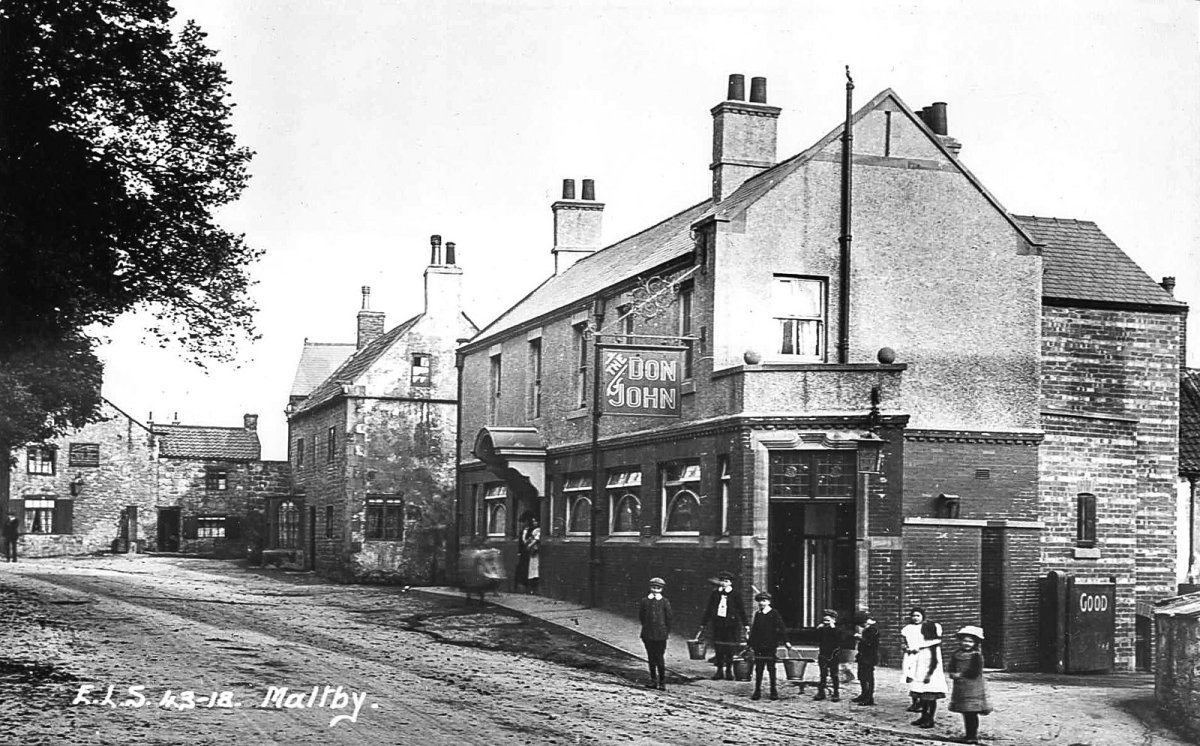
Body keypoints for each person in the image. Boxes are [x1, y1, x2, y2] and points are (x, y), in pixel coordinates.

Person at [697, 570, 749, 680]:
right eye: (722, 581)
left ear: (730, 583)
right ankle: (719, 670)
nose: (723, 583)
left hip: (731, 625)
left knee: (729, 648)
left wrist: (746, 624)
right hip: (718, 624)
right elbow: (709, 609)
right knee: (719, 647)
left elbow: (741, 610)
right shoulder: (715, 594)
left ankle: (729, 671)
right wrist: (704, 623)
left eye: (726, 581)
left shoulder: (735, 594)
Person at [949, 625, 992, 744]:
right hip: (961, 688)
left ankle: (972, 735)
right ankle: (968, 734)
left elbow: (975, 671)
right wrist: (952, 672)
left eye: (970, 641)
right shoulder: (957, 654)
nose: (966, 643)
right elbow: (951, 665)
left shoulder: (976, 656)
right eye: (964, 640)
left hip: (973, 687)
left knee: (971, 712)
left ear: (975, 643)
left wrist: (961, 674)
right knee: (965, 711)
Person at [905, 609, 948, 729]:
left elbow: (934, 663)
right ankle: (924, 716)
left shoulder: (933, 647)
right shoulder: (922, 646)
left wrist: (928, 676)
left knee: (930, 697)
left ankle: (930, 719)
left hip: (930, 676)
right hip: (921, 673)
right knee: (922, 697)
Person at [747, 591, 791, 701]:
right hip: (759, 646)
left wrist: (786, 641)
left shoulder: (774, 613)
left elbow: (782, 628)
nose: (762, 603)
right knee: (759, 669)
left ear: (769, 602)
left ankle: (773, 690)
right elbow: (754, 631)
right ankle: (757, 691)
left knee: (771, 668)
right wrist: (750, 644)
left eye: (764, 601)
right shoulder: (758, 614)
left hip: (770, 645)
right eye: (760, 601)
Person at [638, 576, 673, 690]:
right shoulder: (645, 601)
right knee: (651, 658)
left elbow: (669, 618)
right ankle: (653, 680)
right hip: (648, 633)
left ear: (661, 589)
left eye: (658, 588)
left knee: (660, 658)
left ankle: (662, 682)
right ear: (650, 588)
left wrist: (665, 632)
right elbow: (642, 617)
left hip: (660, 635)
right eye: (653, 587)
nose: (655, 590)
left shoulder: (664, 602)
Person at [813, 609, 843, 701]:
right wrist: (818, 629)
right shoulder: (822, 629)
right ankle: (821, 692)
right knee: (823, 674)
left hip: (834, 654)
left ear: (834, 620)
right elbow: (816, 639)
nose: (826, 623)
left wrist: (833, 628)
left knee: (834, 674)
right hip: (823, 654)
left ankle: (836, 693)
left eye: (828, 620)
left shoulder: (837, 630)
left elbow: (839, 640)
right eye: (825, 621)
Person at [851, 609, 880, 706]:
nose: (861, 626)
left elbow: (869, 643)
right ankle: (864, 694)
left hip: (870, 657)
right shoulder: (866, 629)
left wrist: (860, 638)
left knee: (868, 677)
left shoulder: (873, 630)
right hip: (863, 656)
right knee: (861, 676)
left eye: (862, 623)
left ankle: (869, 697)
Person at [520, 514, 541, 594]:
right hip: (532, 553)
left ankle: (535, 589)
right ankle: (532, 589)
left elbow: (536, 539)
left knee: (536, 569)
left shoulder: (538, 530)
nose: (534, 523)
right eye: (533, 521)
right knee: (532, 570)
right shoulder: (533, 530)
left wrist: (529, 545)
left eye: (535, 521)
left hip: (536, 552)